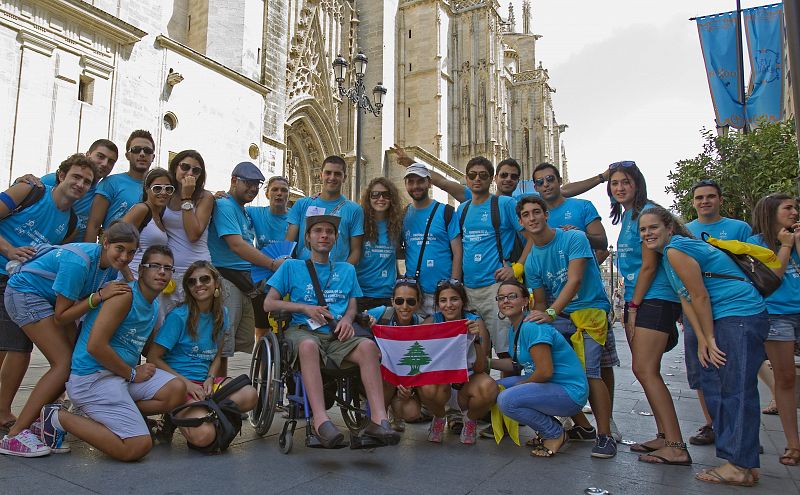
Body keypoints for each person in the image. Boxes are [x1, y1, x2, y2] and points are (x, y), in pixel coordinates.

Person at [640, 206, 768, 487]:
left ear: (669, 228)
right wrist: (702, 339)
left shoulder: (676, 249)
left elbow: (699, 296)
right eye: (643, 230)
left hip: (739, 315)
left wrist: (708, 338)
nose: (647, 233)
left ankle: (740, 465)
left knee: (735, 389)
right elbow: (687, 299)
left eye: (653, 227)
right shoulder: (669, 256)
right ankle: (742, 463)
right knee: (718, 385)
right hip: (726, 318)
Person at [0, 223, 138, 457]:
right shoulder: (79, 262)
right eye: (120, 249)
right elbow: (62, 317)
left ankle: (42, 425)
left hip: (49, 300)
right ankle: (14, 436)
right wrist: (99, 296)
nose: (124, 257)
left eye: (131, 252)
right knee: (62, 364)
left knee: (73, 359)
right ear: (105, 243)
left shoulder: (110, 267)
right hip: (25, 294)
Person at [37, 246, 186, 461]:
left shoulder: (153, 305)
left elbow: (146, 347)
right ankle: (57, 417)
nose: (162, 272)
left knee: (176, 389)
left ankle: (109, 415)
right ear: (141, 270)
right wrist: (132, 374)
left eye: (167, 268)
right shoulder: (124, 296)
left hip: (119, 377)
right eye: (154, 266)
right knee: (137, 446)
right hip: (93, 379)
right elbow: (95, 347)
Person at [263, 215, 400, 448]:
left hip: (336, 333)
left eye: (329, 231)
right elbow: (269, 303)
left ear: (336, 238)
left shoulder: (346, 269)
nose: (324, 235)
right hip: (303, 330)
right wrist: (304, 308)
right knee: (308, 346)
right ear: (307, 237)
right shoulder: (291, 266)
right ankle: (320, 420)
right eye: (317, 231)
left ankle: (379, 418)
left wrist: (347, 319)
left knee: (368, 347)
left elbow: (353, 304)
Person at [0, 153, 97, 438]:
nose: (80, 184)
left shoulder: (70, 223)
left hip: (18, 282)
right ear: (61, 176)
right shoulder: (29, 190)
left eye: (87, 182)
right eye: (76, 177)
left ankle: (3, 410)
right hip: (5, 272)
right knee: (15, 349)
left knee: (16, 348)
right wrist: (8, 250)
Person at [518, 196, 617, 459]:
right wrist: (536, 323)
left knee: (590, 371)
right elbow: (539, 300)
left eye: (536, 212)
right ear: (521, 222)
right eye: (526, 215)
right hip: (561, 314)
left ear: (546, 214)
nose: (532, 218)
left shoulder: (573, 239)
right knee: (552, 368)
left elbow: (574, 280)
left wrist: (550, 313)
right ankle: (581, 428)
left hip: (590, 310)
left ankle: (605, 436)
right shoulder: (532, 262)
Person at [607, 161, 682, 457]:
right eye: (614, 183)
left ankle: (676, 446)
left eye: (625, 182)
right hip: (643, 298)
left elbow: (650, 264)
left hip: (655, 298)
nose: (620, 188)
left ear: (637, 184)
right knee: (647, 371)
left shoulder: (646, 213)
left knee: (645, 369)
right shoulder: (628, 217)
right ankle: (664, 436)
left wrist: (634, 305)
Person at [148, 260, 258, 449]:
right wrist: (186, 383)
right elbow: (153, 358)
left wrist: (210, 377)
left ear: (216, 283)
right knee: (204, 436)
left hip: (205, 385)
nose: (198, 284)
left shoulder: (221, 313)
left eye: (204, 279)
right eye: (192, 281)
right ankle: (175, 415)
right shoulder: (179, 316)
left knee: (250, 396)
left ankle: (204, 412)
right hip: (179, 386)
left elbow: (217, 354)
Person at [683, 179, 753, 446]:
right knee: (702, 370)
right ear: (693, 202)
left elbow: (753, 263)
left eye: (710, 196)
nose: (705, 202)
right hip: (696, 309)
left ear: (720, 200)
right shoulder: (687, 231)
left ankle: (740, 430)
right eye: (699, 197)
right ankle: (712, 423)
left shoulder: (739, 228)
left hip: (734, 308)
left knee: (735, 371)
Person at [491, 280, 589, 457]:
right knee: (495, 388)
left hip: (568, 391)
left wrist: (521, 385)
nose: (506, 301)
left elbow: (545, 372)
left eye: (512, 296)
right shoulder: (516, 327)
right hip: (548, 386)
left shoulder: (532, 326)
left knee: (507, 399)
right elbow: (517, 364)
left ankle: (554, 433)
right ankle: (546, 429)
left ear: (525, 301)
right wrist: (487, 362)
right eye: (501, 297)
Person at [207, 162, 278, 376]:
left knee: (227, 348)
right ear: (234, 181)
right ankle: (216, 396)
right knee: (221, 345)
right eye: (248, 183)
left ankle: (222, 392)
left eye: (257, 185)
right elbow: (236, 245)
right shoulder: (225, 206)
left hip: (246, 281)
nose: (253, 189)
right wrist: (272, 264)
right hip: (227, 279)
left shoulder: (245, 212)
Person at [457, 156, 529, 360]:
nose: (477, 179)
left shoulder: (504, 203)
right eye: (472, 175)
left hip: (495, 287)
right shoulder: (462, 209)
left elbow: (531, 237)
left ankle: (509, 392)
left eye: (483, 175)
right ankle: (487, 391)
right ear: (467, 179)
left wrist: (517, 267)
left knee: (506, 351)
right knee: (477, 350)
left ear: (491, 180)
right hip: (469, 289)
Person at [747, 193, 800, 466]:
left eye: (795, 208)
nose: (794, 212)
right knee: (786, 377)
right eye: (787, 208)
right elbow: (771, 279)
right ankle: (793, 444)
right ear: (770, 212)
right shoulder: (754, 244)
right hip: (777, 314)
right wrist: (786, 247)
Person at [419, 279, 497, 444]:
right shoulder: (432, 321)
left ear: (463, 301)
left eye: (454, 299)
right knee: (424, 385)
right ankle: (439, 417)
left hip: (467, 382)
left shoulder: (474, 321)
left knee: (489, 387)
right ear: (438, 303)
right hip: (441, 384)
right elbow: (420, 360)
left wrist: (476, 339)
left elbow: (481, 367)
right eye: (443, 300)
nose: (449, 305)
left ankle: (470, 420)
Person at [390, 145, 610, 203]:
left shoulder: (523, 201)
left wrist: (601, 177)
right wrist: (411, 163)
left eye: (514, 177)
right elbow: (442, 182)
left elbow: (565, 191)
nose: (508, 180)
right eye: (504, 175)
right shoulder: (474, 198)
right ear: (496, 178)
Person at [400, 163, 462, 316]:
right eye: (411, 182)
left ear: (429, 182)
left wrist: (453, 286)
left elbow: (458, 252)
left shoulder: (446, 211)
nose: (416, 186)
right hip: (415, 295)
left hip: (442, 294)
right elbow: (398, 250)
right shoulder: (403, 215)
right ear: (406, 185)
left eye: (420, 181)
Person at [366, 278, 426, 431]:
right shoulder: (382, 313)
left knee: (412, 413)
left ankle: (394, 412)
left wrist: (411, 389)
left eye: (411, 302)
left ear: (418, 303)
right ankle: (378, 419)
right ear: (392, 302)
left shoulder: (421, 323)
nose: (404, 307)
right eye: (399, 301)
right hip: (380, 376)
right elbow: (355, 319)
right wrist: (366, 320)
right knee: (387, 376)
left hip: (406, 381)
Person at [160, 150, 214, 317]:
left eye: (196, 170)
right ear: (175, 167)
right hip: (169, 272)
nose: (190, 173)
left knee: (195, 325)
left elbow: (193, 234)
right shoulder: (165, 194)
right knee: (163, 325)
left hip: (198, 272)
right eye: (185, 167)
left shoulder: (205, 197)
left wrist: (186, 197)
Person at [286, 155, 364, 264]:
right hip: (303, 272)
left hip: (336, 275)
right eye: (328, 173)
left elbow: (356, 251)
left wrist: (342, 275)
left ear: (344, 178)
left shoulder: (355, 210)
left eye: (337, 174)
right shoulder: (301, 204)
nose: (332, 177)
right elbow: (288, 244)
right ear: (321, 175)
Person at [40, 139, 119, 241]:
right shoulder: (52, 180)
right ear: (88, 155)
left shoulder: (102, 196)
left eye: (111, 162)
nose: (104, 164)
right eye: (100, 156)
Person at [84, 130, 155, 242]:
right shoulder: (111, 182)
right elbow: (93, 226)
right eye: (136, 150)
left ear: (153, 157)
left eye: (147, 150)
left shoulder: (158, 188)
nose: (142, 154)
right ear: (127, 155)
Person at [247, 176, 291, 342]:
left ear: (288, 195)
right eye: (275, 190)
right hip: (262, 282)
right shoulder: (255, 212)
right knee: (262, 331)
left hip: (287, 283)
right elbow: (234, 207)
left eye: (284, 190)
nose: (279, 193)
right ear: (267, 194)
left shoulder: (295, 218)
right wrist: (219, 196)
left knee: (287, 332)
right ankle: (263, 367)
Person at [356, 178, 404, 312]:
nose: (380, 198)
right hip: (360, 294)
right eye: (375, 195)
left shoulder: (397, 225)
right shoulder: (359, 222)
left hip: (387, 295)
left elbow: (395, 258)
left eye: (386, 195)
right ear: (369, 198)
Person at [121, 168, 176, 279]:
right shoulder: (141, 209)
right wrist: (130, 280)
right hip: (133, 280)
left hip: (149, 284)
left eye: (168, 189)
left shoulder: (160, 216)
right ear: (147, 189)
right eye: (157, 188)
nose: (163, 192)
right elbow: (118, 245)